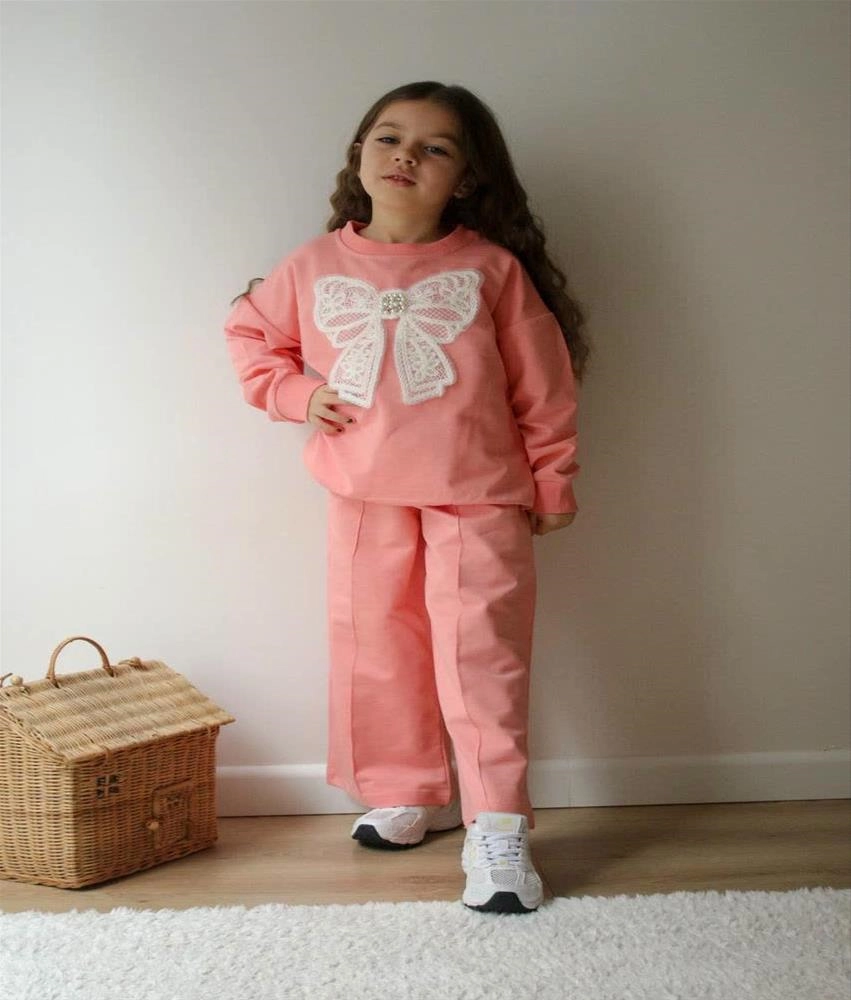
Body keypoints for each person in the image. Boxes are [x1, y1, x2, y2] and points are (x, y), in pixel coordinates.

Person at [223, 80, 592, 914]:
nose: (405, 157)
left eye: (435, 147)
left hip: (477, 494)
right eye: (389, 138)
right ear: (359, 154)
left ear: (465, 178)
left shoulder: (490, 270)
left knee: (481, 658)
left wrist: (553, 478)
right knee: (376, 647)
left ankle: (497, 824)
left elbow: (544, 387)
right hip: (363, 493)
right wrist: (293, 394)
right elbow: (251, 333)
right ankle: (406, 788)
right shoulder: (313, 265)